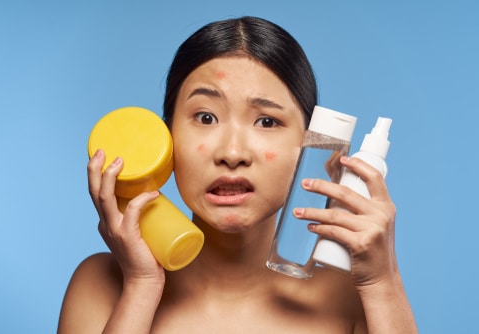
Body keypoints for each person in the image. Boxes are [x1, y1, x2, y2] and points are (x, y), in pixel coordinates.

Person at [58, 16, 417, 333]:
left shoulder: (353, 298)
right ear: (167, 138)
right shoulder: (102, 285)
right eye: (206, 117)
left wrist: (383, 284)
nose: (232, 154)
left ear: (313, 146)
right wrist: (141, 284)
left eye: (267, 121)